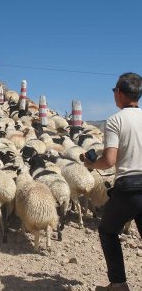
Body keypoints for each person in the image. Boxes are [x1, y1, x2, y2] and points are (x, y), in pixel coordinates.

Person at [81, 72, 142, 291]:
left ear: (121, 93)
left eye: (115, 90)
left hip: (127, 189)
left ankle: (118, 284)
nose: (114, 94)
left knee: (108, 232)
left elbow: (109, 160)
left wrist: (90, 164)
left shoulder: (115, 120)